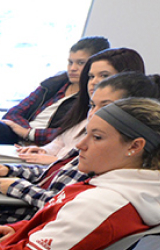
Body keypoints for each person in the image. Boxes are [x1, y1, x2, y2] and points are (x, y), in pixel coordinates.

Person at [0, 97, 160, 250]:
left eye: (97, 137)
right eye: (86, 133)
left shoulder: (103, 204)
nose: (80, 145)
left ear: (135, 146)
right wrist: (20, 229)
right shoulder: (135, 189)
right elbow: (65, 229)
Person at [0, 72, 160, 223]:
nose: (93, 113)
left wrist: (16, 185)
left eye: (106, 106)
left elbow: (63, 204)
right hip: (16, 221)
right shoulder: (92, 144)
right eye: (92, 105)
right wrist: (10, 170)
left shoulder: (105, 162)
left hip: (20, 224)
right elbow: (52, 175)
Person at [15, 47, 146, 165]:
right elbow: (60, 141)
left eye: (104, 76)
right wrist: (43, 151)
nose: (94, 82)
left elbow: (96, 165)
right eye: (91, 76)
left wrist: (56, 162)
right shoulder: (85, 111)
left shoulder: (124, 123)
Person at [0, 37, 110, 145]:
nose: (73, 68)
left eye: (80, 63)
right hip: (21, 138)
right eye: (70, 62)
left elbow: (70, 135)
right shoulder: (54, 84)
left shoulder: (94, 97)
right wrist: (25, 132)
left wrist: (30, 134)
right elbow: (14, 113)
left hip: (48, 146)